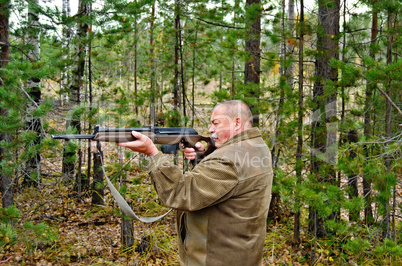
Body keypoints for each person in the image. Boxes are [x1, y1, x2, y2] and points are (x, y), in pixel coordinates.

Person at [117, 100, 273, 266]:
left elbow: (181, 193)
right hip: (240, 255)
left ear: (236, 123)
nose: (211, 129)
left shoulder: (229, 159)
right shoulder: (255, 147)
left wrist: (152, 154)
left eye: (216, 123)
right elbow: (227, 185)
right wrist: (203, 159)